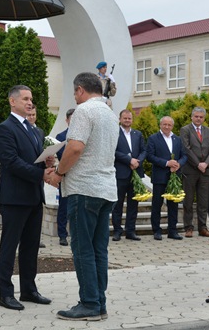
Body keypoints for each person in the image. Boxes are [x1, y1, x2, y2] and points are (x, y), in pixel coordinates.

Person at [47, 72, 119, 321]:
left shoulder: (84, 112)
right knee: (99, 249)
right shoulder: (110, 114)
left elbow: (75, 147)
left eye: (74, 92)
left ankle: (89, 303)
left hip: (84, 188)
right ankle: (99, 302)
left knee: (83, 249)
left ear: (80, 90)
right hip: (106, 189)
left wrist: (57, 173)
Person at [0, 85, 55, 311]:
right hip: (14, 198)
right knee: (9, 247)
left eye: (31, 99)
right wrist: (41, 174)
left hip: (33, 197)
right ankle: (5, 294)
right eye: (26, 99)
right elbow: (11, 162)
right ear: (12, 101)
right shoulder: (5, 129)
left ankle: (28, 289)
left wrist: (46, 162)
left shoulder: (34, 130)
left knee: (30, 247)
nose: (30, 103)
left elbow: (33, 159)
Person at [147, 116, 187, 241]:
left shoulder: (177, 139)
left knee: (173, 204)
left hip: (174, 176)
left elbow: (184, 155)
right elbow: (150, 156)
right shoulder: (153, 138)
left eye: (169, 125)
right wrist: (166, 163)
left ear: (172, 126)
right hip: (160, 177)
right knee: (157, 204)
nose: (167, 127)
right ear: (160, 125)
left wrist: (178, 164)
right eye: (164, 124)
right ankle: (157, 230)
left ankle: (172, 230)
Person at [180, 107, 209, 238]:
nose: (198, 119)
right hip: (190, 170)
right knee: (188, 200)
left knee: (203, 201)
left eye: (201, 117)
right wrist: (198, 164)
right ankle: (188, 227)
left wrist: (205, 164)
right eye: (196, 116)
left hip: (205, 171)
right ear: (191, 117)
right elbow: (186, 148)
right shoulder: (185, 130)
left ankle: (203, 228)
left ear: (204, 118)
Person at [111, 109, 146, 241]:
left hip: (135, 173)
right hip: (121, 174)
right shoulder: (114, 133)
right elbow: (113, 151)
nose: (127, 120)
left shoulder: (138, 134)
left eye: (129, 118)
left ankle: (130, 231)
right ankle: (117, 230)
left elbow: (144, 151)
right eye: (125, 118)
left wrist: (138, 161)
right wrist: (128, 160)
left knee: (134, 204)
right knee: (118, 204)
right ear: (120, 119)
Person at [26, 104, 47, 249]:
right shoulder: (20, 131)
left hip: (39, 177)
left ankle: (35, 238)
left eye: (34, 115)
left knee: (37, 212)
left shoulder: (39, 132)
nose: (32, 118)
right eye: (29, 115)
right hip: (28, 174)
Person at [55, 108, 75, 247]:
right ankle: (62, 235)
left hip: (81, 177)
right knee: (63, 206)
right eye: (72, 119)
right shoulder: (60, 137)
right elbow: (62, 155)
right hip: (66, 176)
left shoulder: (85, 135)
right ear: (67, 120)